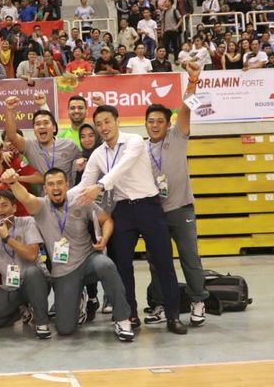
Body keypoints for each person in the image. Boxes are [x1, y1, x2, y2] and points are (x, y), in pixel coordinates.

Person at [71, 101, 188, 335]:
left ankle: (173, 316)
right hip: (122, 210)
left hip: (149, 207)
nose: (103, 128)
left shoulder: (134, 141)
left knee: (164, 263)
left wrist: (101, 185)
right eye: (98, 124)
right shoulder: (97, 154)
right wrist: (55, 198)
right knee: (122, 266)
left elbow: (122, 167)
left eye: (107, 122)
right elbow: (84, 185)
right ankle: (130, 314)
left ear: (117, 121)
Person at [3, 168, 134, 339]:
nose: (55, 188)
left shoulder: (81, 201)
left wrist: (105, 238)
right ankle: (78, 297)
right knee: (65, 329)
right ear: (45, 189)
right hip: (64, 271)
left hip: (88, 261)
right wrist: (13, 182)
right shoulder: (40, 206)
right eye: (50, 184)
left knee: (106, 265)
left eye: (59, 183)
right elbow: (25, 197)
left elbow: (106, 220)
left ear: (67, 185)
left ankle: (123, 320)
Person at [142, 62, 209, 327]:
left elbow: (186, 108)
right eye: (151, 121)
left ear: (167, 123)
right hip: (155, 214)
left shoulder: (177, 136)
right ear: (145, 124)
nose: (155, 125)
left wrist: (192, 82)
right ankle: (160, 305)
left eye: (160, 121)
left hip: (181, 209)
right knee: (158, 263)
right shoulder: (140, 149)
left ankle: (197, 300)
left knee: (189, 258)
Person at [0, 190, 51, 339]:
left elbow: (32, 255)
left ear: (14, 208)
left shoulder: (27, 223)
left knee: (32, 272)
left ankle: (42, 324)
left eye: (4, 205)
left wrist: (6, 238)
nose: (0, 210)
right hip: (11, 288)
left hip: (35, 283)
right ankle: (19, 312)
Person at [3, 96, 81, 187]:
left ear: (54, 128)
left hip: (68, 197)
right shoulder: (29, 146)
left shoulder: (69, 145)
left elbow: (85, 160)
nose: (42, 126)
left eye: (46, 123)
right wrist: (9, 110)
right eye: (38, 124)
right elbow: (12, 136)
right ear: (34, 130)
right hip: (45, 199)